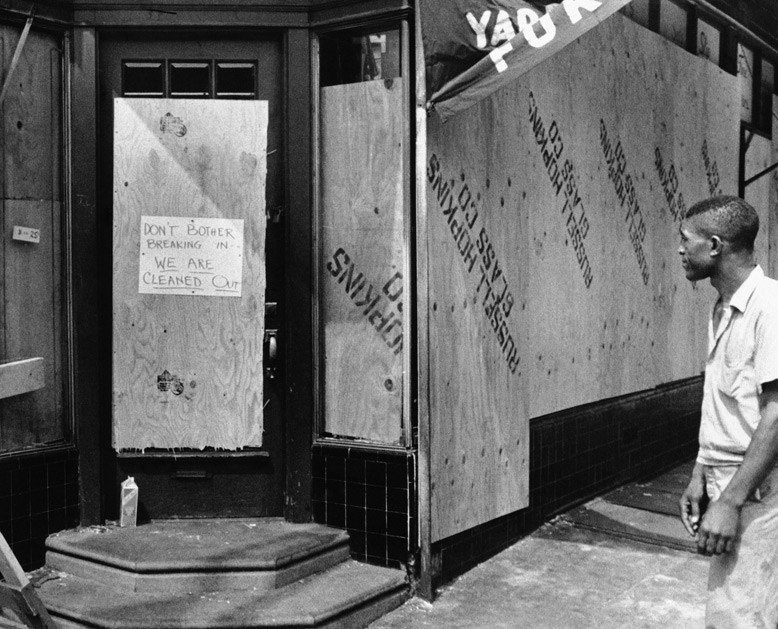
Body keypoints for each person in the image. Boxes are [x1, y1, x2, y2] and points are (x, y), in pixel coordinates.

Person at [677, 195, 778, 628]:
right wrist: (700, 471)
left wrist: (731, 503)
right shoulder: (722, 308)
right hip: (728, 483)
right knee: (732, 612)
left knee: (742, 619)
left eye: (686, 240)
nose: (681, 250)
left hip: (755, 492)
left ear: (715, 246)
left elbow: (776, 415)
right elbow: (724, 401)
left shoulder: (770, 308)